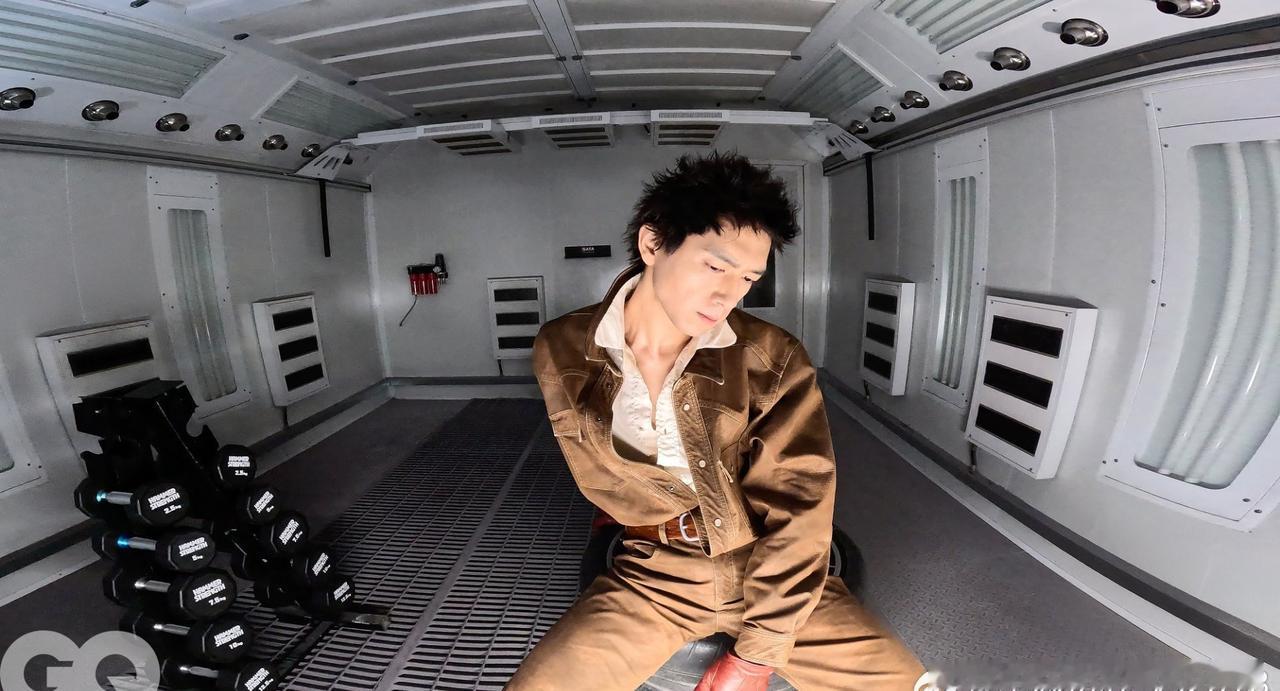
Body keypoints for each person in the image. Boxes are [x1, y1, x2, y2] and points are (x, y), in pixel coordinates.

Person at [508, 151, 925, 691]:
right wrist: (619, 509)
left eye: (748, 278)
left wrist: (754, 660)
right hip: (654, 575)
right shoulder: (561, 347)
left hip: (773, 573)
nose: (730, 294)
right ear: (653, 244)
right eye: (715, 267)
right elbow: (588, 456)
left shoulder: (772, 358)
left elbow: (800, 507)